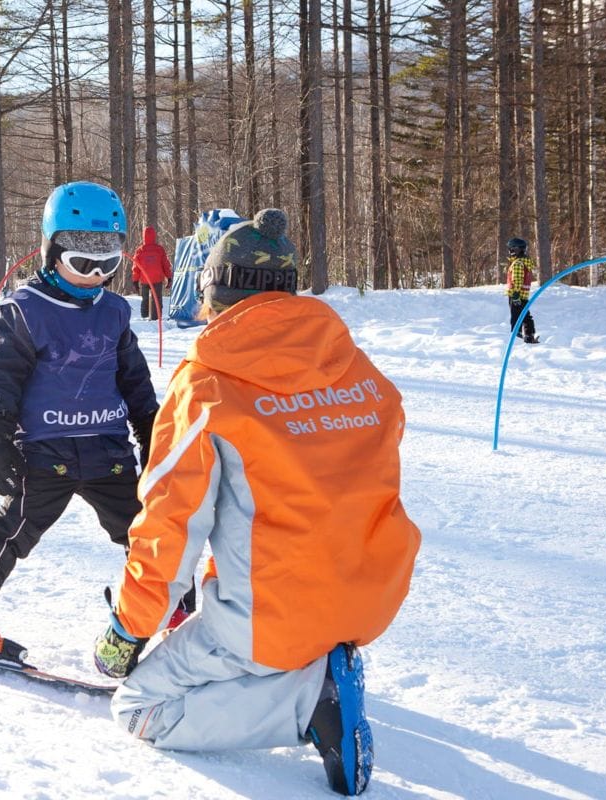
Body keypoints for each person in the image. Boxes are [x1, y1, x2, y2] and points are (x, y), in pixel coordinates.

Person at [94, 208, 421, 796]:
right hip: (370, 599)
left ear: (214, 289)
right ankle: (314, 664)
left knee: (140, 705)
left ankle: (307, 707)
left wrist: (128, 628)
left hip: (270, 617)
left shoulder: (208, 384)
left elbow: (170, 524)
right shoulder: (357, 369)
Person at [0, 181, 194, 651]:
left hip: (107, 450)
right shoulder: (24, 311)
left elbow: (134, 380)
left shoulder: (113, 310)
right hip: (46, 450)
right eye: (81, 261)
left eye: (106, 262)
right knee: (12, 529)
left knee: (149, 527)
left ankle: (173, 607)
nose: (93, 275)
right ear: (51, 250)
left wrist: (152, 432)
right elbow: (2, 382)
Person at [131, 226, 172, 321]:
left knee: (145, 299)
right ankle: (156, 319)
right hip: (157, 279)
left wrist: (135, 281)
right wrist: (169, 277)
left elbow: (136, 268)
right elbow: (166, 265)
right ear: (154, 236)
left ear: (143, 236)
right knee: (156, 300)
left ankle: (144, 318)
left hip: (145, 279)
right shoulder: (159, 249)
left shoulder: (140, 250)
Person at [505, 237, 539, 344]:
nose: (510, 252)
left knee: (516, 316)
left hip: (517, 295)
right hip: (523, 295)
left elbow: (518, 280)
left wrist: (515, 295)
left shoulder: (518, 263)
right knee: (525, 315)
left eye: (511, 249)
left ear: (516, 250)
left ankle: (516, 336)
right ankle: (529, 335)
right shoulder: (523, 263)